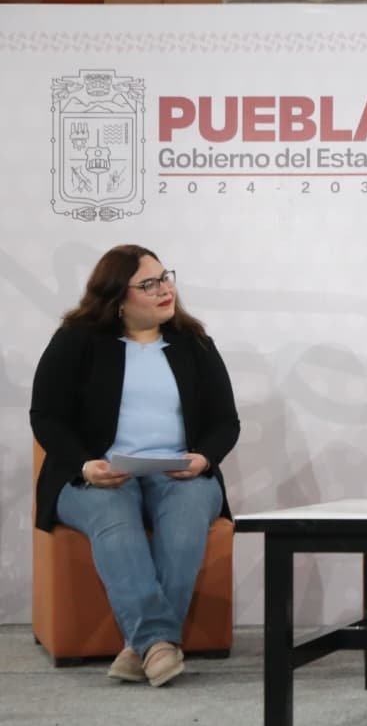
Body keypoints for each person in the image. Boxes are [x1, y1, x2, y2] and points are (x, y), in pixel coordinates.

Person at [30, 244, 240, 687]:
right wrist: (85, 465)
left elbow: (226, 421)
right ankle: (159, 643)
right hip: (97, 473)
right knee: (114, 521)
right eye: (149, 284)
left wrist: (204, 458)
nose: (165, 290)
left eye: (165, 278)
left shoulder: (194, 343)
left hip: (180, 471)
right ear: (117, 299)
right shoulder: (75, 341)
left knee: (185, 520)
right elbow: (46, 417)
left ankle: (142, 646)